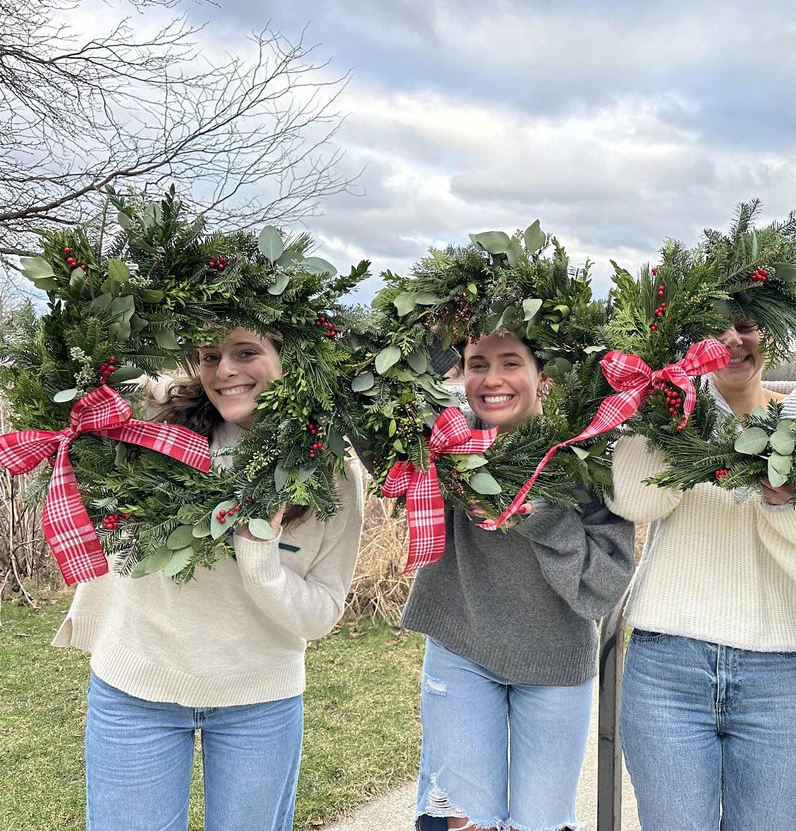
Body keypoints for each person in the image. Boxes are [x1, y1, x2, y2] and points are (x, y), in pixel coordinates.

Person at [54, 327, 365, 831]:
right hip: (136, 687)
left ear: (292, 358)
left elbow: (322, 613)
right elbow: (89, 371)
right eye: (211, 357)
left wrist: (261, 558)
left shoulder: (334, 471)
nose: (225, 371)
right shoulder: (158, 427)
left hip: (259, 699)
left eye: (247, 353)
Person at [608, 320, 796, 829]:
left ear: (772, 331)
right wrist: (669, 416)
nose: (732, 340)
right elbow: (634, 500)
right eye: (714, 328)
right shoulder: (670, 411)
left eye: (746, 325)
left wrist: (783, 502)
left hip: (779, 679)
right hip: (668, 669)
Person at [401, 332, 636, 831]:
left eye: (511, 363)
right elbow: (383, 386)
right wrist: (457, 316)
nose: (492, 379)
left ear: (543, 377)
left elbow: (605, 584)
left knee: (542, 824)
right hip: (461, 647)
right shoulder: (442, 441)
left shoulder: (582, 455)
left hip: (554, 661)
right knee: (464, 821)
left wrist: (538, 515)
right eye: (476, 364)